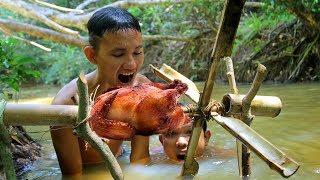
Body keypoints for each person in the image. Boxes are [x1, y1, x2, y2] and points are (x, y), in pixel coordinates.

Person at [50, 7, 151, 175]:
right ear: (92, 55)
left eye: (137, 52)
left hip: (120, 159)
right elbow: (73, 176)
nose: (131, 64)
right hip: (89, 170)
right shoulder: (66, 103)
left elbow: (140, 161)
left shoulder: (141, 88)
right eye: (119, 54)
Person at [159, 121, 235, 163]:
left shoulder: (228, 158)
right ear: (162, 140)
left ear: (206, 138)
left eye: (190, 132)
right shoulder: (152, 159)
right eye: (172, 133)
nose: (181, 142)